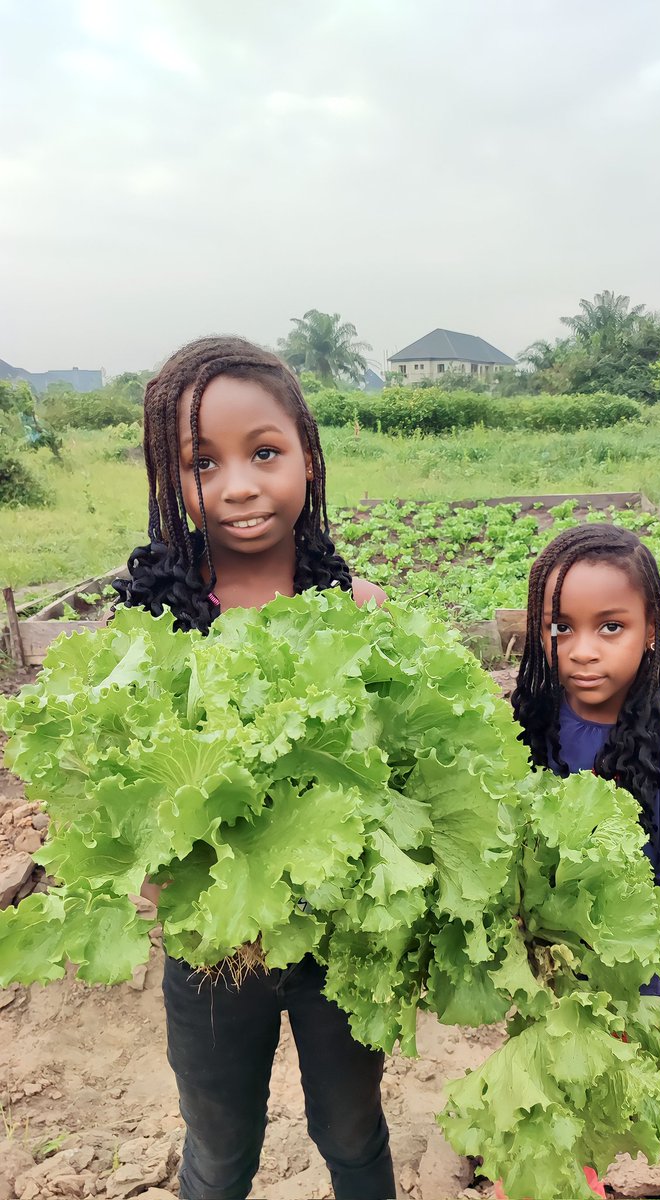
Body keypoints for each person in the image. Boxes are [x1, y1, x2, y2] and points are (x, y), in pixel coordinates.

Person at [113, 335, 394, 1200]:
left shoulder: (359, 612)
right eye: (203, 463)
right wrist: (160, 871)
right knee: (220, 1146)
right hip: (212, 950)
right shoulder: (150, 627)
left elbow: (398, 776)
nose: (238, 485)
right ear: (172, 481)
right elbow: (109, 790)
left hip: (338, 941)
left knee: (352, 1132)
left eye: (264, 453)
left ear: (308, 456)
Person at [502, 521, 660, 1200]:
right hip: (537, 975)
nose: (583, 651)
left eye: (611, 627)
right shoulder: (527, 722)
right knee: (532, 1118)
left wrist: (637, 989)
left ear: (654, 629)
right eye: (561, 628)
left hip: (614, 989)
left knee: (571, 1143)